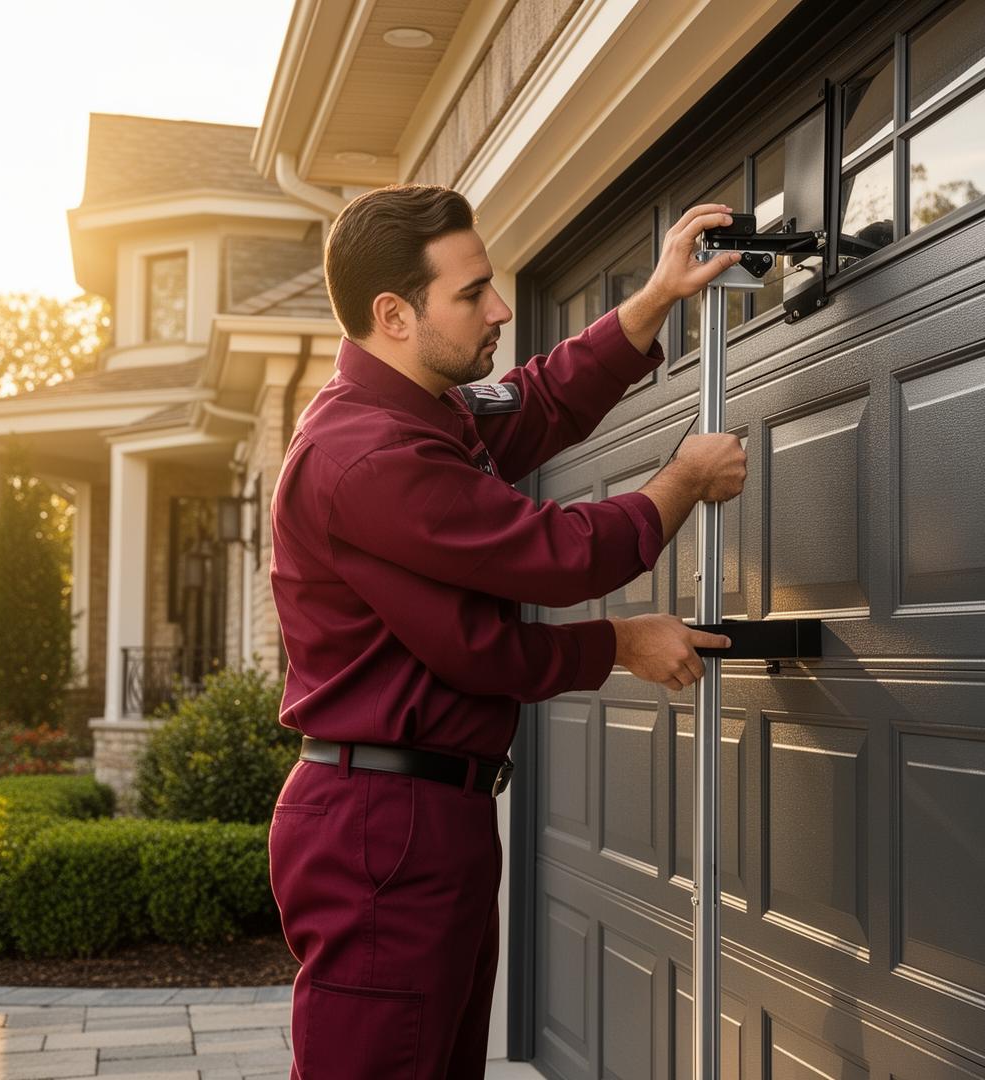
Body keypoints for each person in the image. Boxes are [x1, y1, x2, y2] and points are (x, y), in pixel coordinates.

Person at [266, 184, 749, 1079]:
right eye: (472, 292)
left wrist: (651, 303)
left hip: (427, 818)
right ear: (393, 314)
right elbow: (557, 554)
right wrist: (680, 481)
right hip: (382, 827)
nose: (499, 309)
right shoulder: (368, 456)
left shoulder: (423, 411)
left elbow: (533, 403)